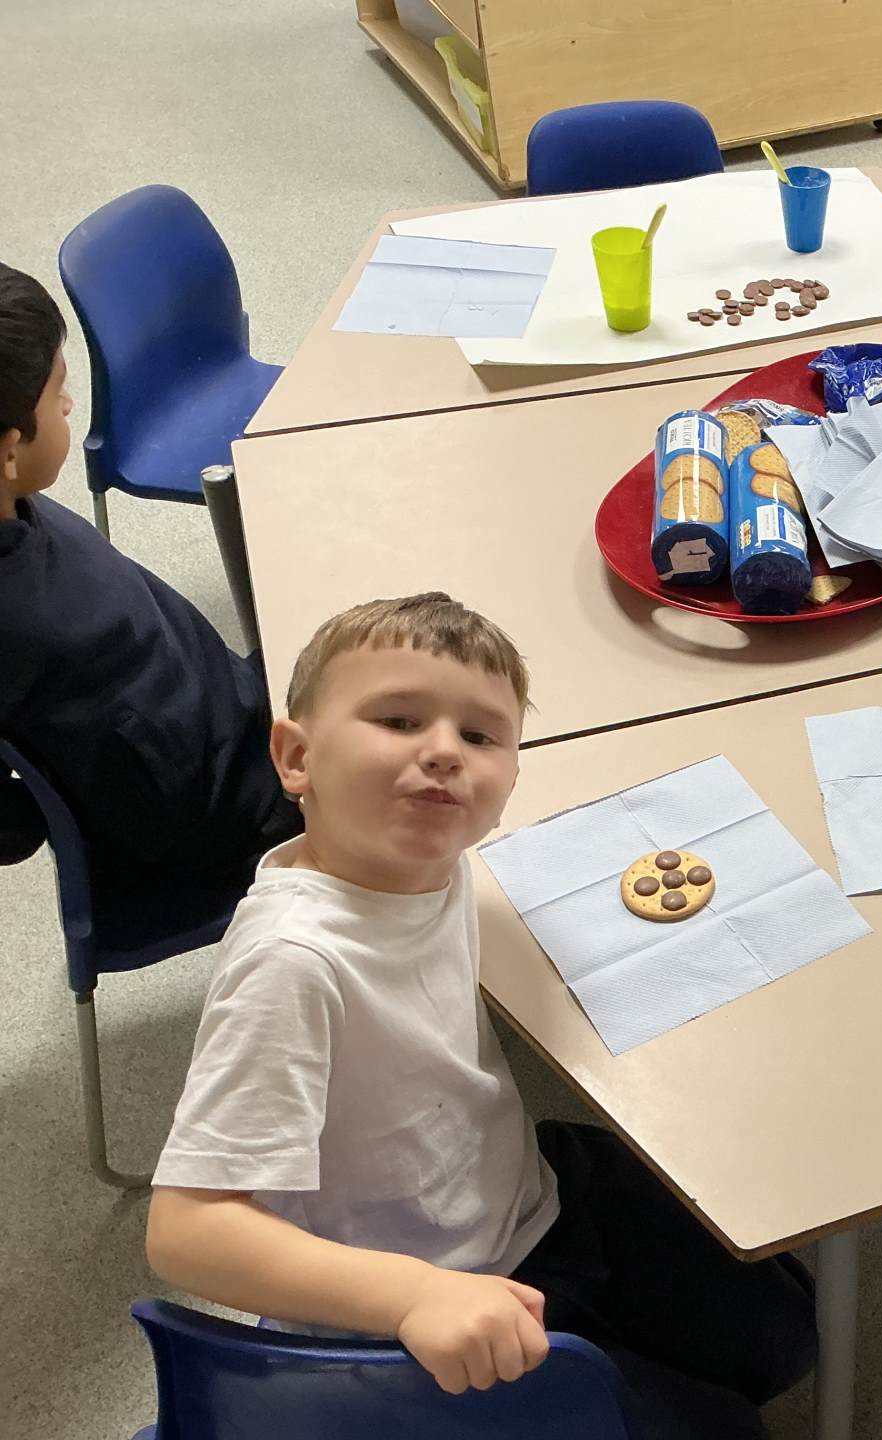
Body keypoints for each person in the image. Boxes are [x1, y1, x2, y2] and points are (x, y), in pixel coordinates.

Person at [145, 594, 816, 1439]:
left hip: (518, 1194)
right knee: (717, 1425)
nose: (442, 752)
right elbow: (186, 1231)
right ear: (297, 758)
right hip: (422, 1292)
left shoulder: (424, 856)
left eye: (479, 736)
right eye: (398, 720)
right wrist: (415, 1296)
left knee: (783, 1333)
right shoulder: (293, 963)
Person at [0, 261, 299, 875]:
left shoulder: (15, 500)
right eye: (58, 392)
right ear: (9, 449)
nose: (69, 404)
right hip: (234, 813)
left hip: (233, 712)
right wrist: (57, 811)